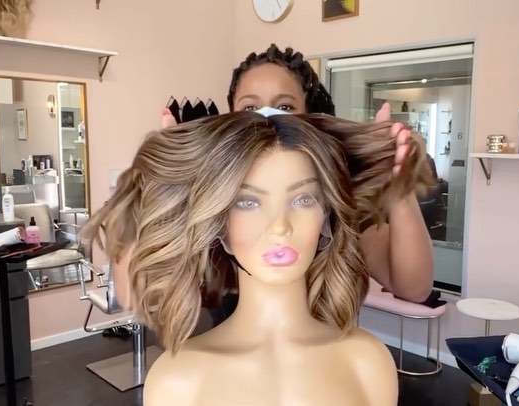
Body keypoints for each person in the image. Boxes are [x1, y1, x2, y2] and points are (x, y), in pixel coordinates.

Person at [82, 110, 434, 404]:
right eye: (248, 202)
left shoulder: (367, 363)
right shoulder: (178, 381)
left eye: (303, 199)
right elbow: (132, 290)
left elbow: (414, 283)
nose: (279, 226)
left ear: (326, 216)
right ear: (220, 226)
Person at [223, 44, 435, 306]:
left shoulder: (340, 202)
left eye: (285, 106)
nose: (264, 118)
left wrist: (398, 185)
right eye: (249, 108)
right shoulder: (215, 197)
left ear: (310, 117)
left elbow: (414, 288)